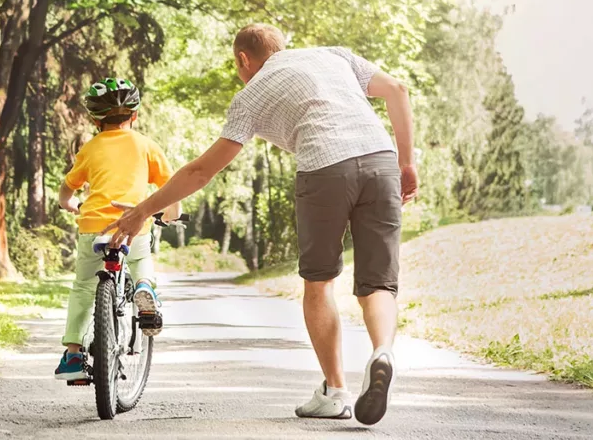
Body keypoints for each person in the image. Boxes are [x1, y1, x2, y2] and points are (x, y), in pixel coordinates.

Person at [102, 24, 418, 425]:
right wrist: (407, 163)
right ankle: (382, 351)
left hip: (324, 168)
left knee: (319, 282)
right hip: (379, 159)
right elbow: (397, 91)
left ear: (243, 59)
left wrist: (143, 209)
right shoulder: (333, 54)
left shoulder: (251, 94)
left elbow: (200, 172)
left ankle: (336, 391)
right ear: (281, 47)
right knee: (378, 284)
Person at [53, 77, 181, 381]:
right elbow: (171, 189)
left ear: (95, 119)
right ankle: (144, 288)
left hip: (94, 228)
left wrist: (69, 204)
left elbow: (67, 189)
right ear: (134, 115)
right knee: (139, 259)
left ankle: (72, 356)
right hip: (134, 223)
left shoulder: (90, 148)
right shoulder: (146, 145)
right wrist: (171, 214)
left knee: (84, 286)